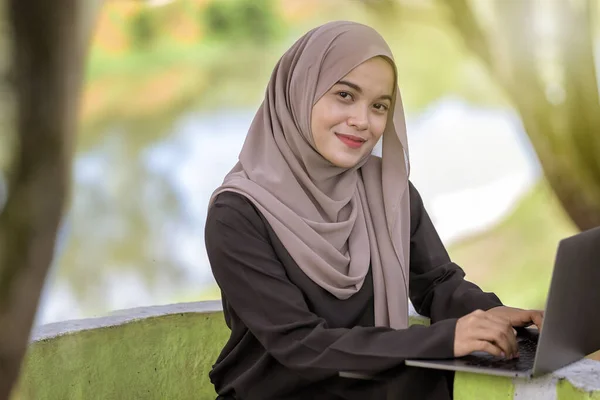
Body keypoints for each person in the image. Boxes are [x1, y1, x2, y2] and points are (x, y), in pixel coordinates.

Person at [204, 21, 544, 400]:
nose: (362, 121)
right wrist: (446, 338)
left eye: (379, 105)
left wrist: (493, 315)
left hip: (370, 386)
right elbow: (301, 345)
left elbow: (436, 284)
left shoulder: (386, 190)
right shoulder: (236, 213)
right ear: (299, 91)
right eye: (345, 95)